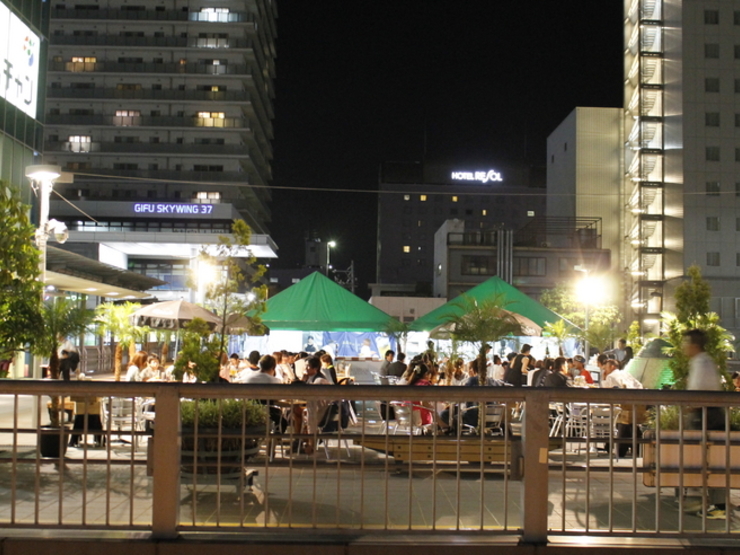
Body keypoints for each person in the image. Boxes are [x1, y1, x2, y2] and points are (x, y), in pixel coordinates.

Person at [683, 328, 729, 519]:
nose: (683, 347)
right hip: (709, 414)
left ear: (694, 345)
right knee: (708, 460)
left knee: (709, 460)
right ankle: (707, 504)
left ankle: (716, 506)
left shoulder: (702, 363)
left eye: (685, 342)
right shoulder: (703, 361)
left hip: (706, 416)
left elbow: (698, 392)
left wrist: (689, 408)